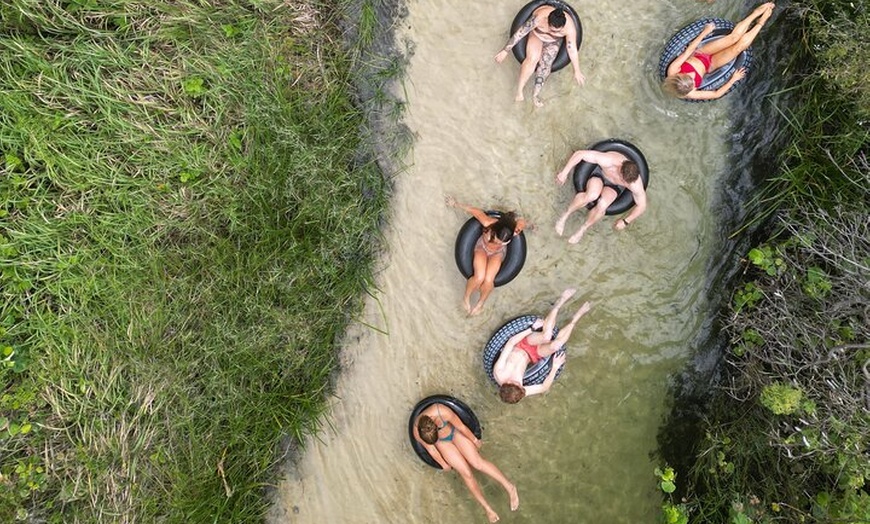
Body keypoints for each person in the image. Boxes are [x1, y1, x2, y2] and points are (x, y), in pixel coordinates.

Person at [413, 402, 519, 523]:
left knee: (477, 463)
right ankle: (487, 509)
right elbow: (432, 450)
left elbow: (461, 427)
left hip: (454, 433)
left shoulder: (442, 411)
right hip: (443, 443)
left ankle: (510, 487)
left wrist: (474, 440)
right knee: (467, 474)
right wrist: (444, 464)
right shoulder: (417, 432)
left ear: (434, 423)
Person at [493, 288, 592, 404]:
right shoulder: (520, 390)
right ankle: (577, 317)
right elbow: (543, 388)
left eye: (517, 383)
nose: (519, 383)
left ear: (507, 383)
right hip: (533, 356)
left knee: (546, 336)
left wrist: (531, 329)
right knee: (556, 345)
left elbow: (510, 342)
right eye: (519, 384)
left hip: (522, 344)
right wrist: (555, 367)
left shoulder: (499, 372)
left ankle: (559, 303)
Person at [662, 3, 775, 100]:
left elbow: (688, 51)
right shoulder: (691, 93)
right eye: (692, 80)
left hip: (701, 53)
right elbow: (716, 94)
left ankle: (755, 13)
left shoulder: (672, 70)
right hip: (710, 66)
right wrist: (733, 80)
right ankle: (761, 22)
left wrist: (704, 33)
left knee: (733, 38)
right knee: (738, 48)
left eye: (688, 75)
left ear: (679, 76)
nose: (692, 74)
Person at [446, 195, 528, 316]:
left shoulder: (514, 231)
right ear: (495, 230)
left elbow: (522, 222)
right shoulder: (488, 223)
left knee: (489, 280)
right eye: (497, 239)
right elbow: (474, 211)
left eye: (503, 242)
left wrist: (529, 225)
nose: (499, 242)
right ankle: (466, 298)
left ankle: (480, 303)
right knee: (479, 277)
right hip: (482, 248)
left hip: (498, 253)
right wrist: (455, 204)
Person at [494, 4, 584, 107]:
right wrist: (505, 51)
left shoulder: (569, 28)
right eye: (551, 29)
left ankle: (535, 95)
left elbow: (571, 48)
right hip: (537, 36)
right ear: (547, 21)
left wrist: (577, 70)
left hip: (553, 42)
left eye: (557, 31)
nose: (553, 32)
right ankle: (519, 91)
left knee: (546, 64)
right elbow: (520, 33)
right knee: (532, 59)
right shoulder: (539, 18)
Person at [554, 149, 647, 244]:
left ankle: (582, 229)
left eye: (626, 183)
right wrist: (564, 173)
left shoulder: (634, 183)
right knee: (592, 195)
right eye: (623, 180)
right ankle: (565, 216)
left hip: (614, 187)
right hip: (600, 175)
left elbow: (642, 205)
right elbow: (580, 154)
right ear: (620, 169)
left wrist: (626, 221)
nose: (625, 183)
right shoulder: (609, 160)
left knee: (603, 205)